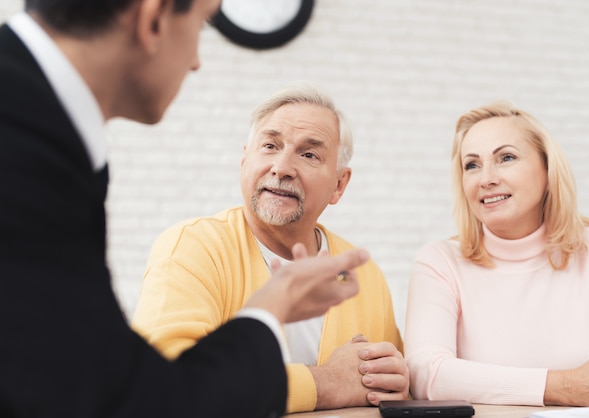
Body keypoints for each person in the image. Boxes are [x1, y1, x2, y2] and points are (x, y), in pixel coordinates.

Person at [0, 2, 371, 417]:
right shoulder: (26, 149)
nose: (196, 61)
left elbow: (91, 382)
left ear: (340, 185)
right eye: (202, 23)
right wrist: (275, 310)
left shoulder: (41, 129)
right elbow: (146, 400)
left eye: (309, 155)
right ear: (153, 18)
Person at [131, 81, 409, 413]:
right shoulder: (192, 248)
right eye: (269, 146)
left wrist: (398, 384)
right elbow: (166, 388)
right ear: (244, 159)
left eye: (308, 154)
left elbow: (389, 391)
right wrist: (328, 383)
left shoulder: (364, 276)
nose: (282, 167)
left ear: (339, 184)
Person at [404, 102, 589, 407]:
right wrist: (566, 385)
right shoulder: (440, 262)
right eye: (472, 165)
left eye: (505, 158)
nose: (486, 179)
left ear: (547, 171)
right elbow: (425, 374)